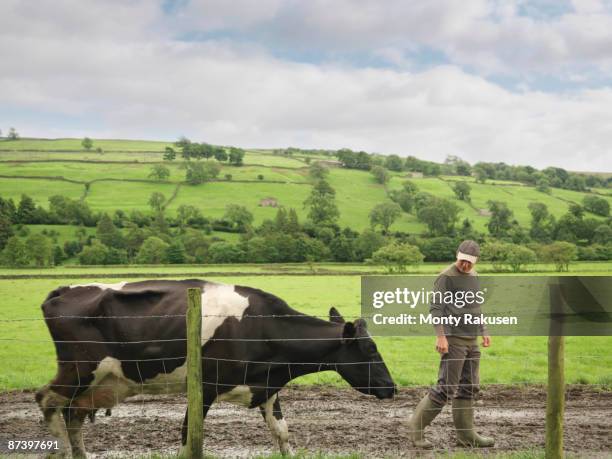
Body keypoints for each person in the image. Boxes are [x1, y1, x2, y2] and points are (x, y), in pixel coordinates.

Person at [406, 240, 495, 449]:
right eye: (463, 261)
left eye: (470, 262)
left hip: (471, 340)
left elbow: (475, 306)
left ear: (476, 261)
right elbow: (436, 308)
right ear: (457, 255)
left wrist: (483, 330)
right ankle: (416, 428)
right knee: (446, 387)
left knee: (469, 387)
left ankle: (466, 436)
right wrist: (440, 336)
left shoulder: (474, 276)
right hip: (453, 339)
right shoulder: (446, 277)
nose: (465, 266)